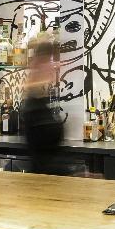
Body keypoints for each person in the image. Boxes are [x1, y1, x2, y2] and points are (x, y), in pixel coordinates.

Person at [20, 39, 68, 175]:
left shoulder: (39, 99)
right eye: (50, 62)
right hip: (43, 180)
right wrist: (75, 175)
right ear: (40, 62)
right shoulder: (34, 105)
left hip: (48, 178)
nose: (55, 66)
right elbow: (43, 159)